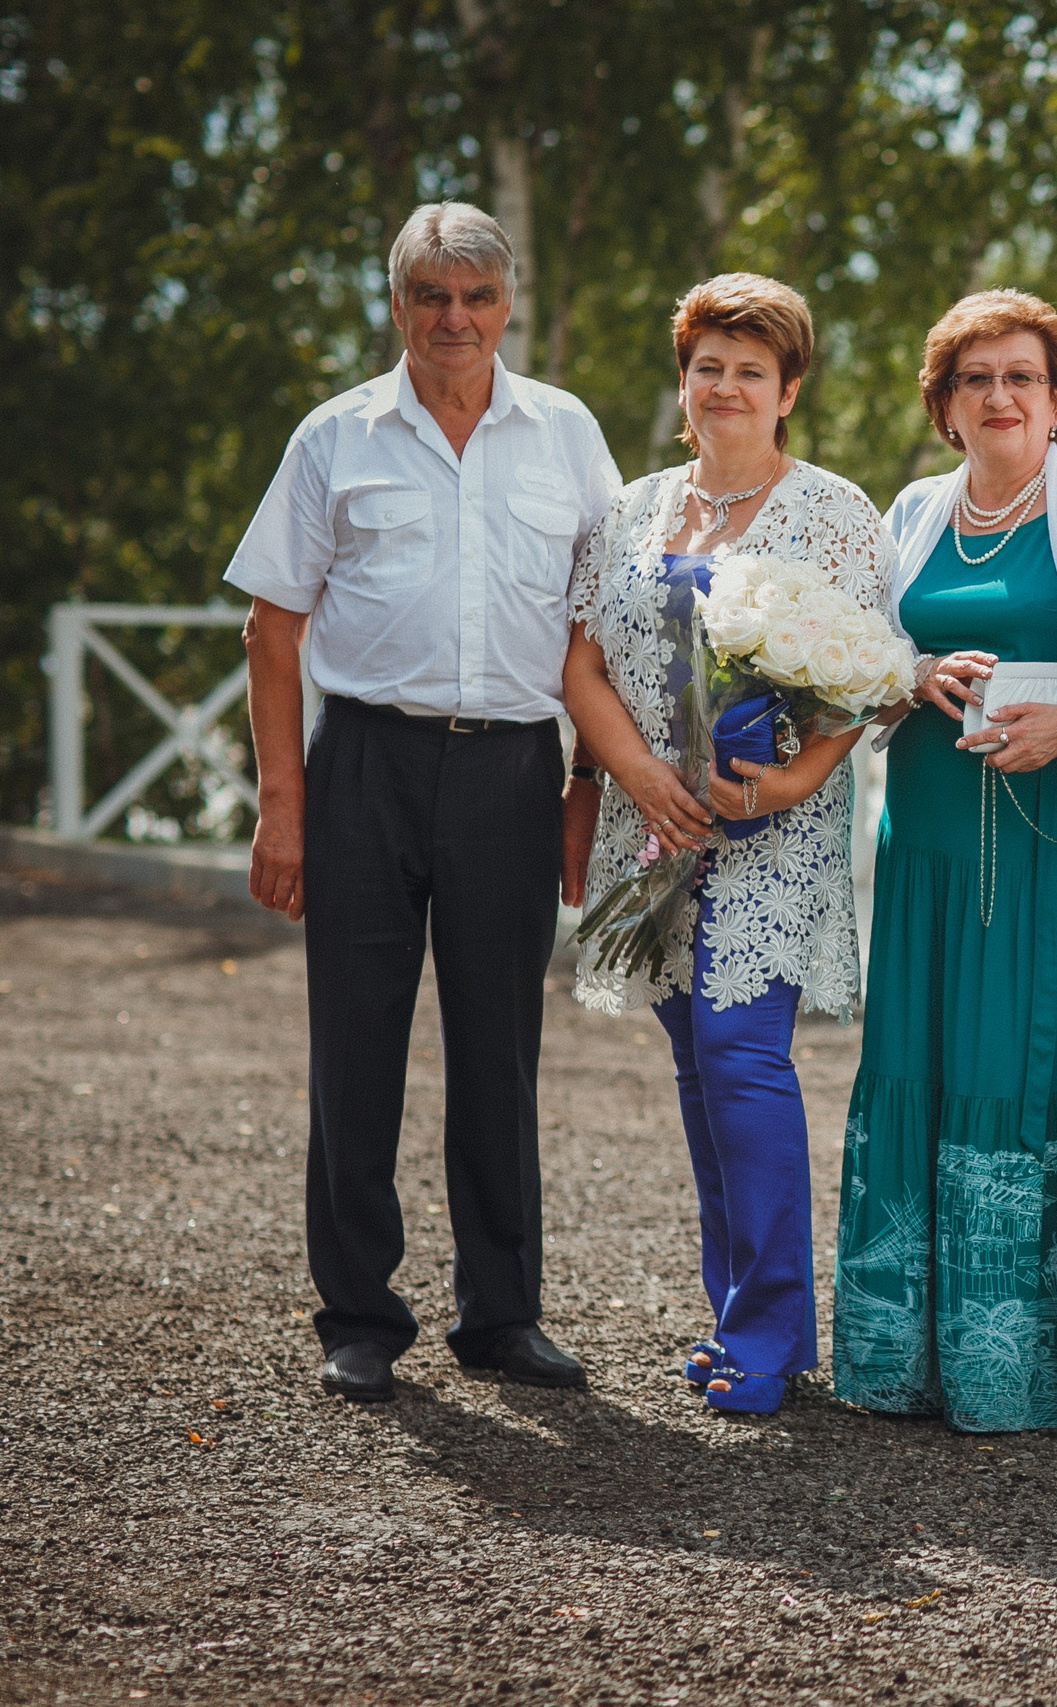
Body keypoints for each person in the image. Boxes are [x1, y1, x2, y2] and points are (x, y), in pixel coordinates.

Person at [227, 202, 621, 1402]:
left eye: (477, 296)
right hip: (363, 772)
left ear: (510, 305)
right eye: (431, 296)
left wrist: (583, 784)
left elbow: (598, 625)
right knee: (355, 1046)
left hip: (511, 773)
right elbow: (273, 628)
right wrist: (281, 807)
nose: (455, 319)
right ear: (396, 305)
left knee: (498, 1051)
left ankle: (501, 1315)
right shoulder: (333, 437)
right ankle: (358, 1314)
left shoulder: (565, 433)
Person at [832, 289, 1057, 1434]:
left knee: (1051, 1066)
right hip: (927, 841)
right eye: (974, 378)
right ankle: (907, 1360)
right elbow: (860, 661)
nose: (999, 396)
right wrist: (908, 674)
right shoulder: (915, 512)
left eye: (1021, 375)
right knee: (924, 1064)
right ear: (943, 404)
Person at [561, 273, 884, 1415]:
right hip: (651, 826)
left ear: (788, 389)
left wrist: (786, 782)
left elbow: (866, 679)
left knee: (745, 1062)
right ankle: (735, 1312)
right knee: (697, 1066)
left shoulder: (835, 512)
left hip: (772, 832)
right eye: (709, 367)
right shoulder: (635, 510)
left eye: (752, 370)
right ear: (683, 382)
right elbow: (583, 666)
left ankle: (771, 1333)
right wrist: (643, 781)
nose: (727, 387)